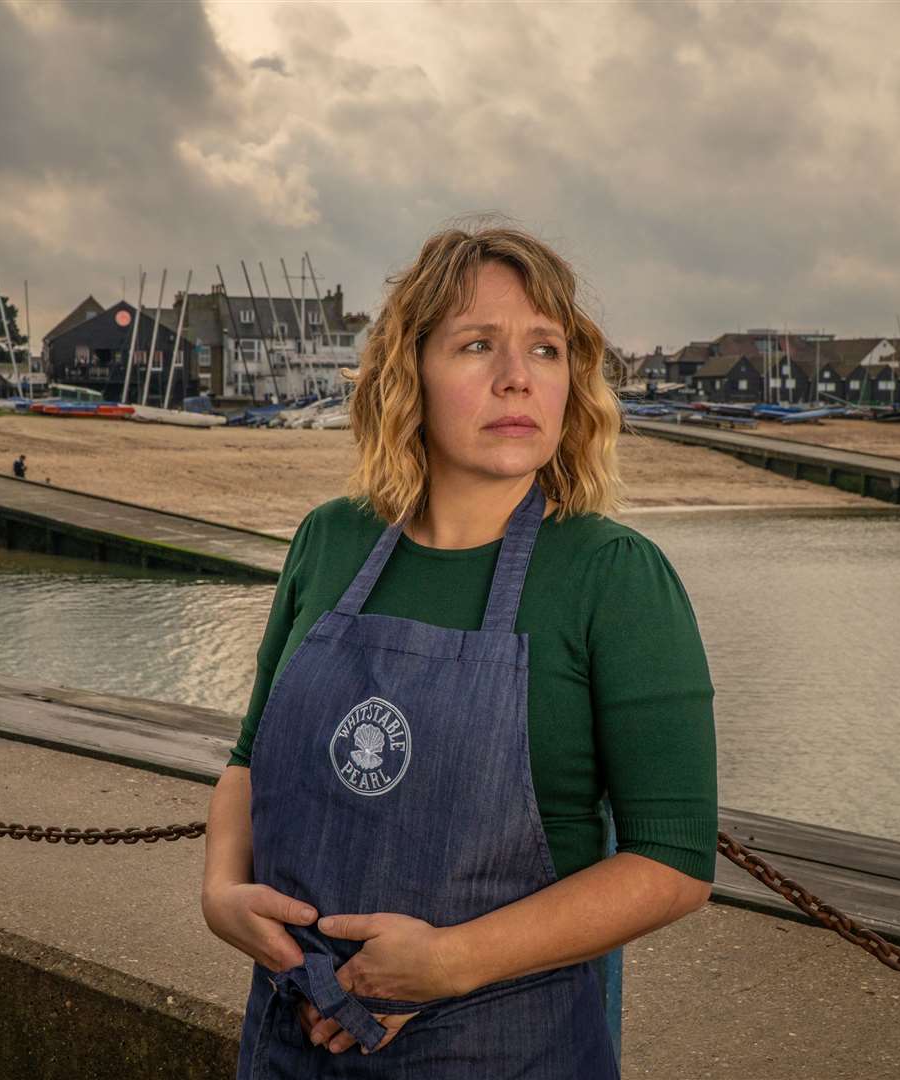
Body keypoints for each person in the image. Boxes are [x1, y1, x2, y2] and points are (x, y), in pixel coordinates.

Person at [201, 224, 717, 1078]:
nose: (517, 376)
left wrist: (450, 965)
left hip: (508, 1051)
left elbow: (672, 862)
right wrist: (222, 893)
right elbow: (250, 760)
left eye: (545, 349)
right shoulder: (329, 542)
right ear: (410, 374)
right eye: (478, 345)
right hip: (293, 1042)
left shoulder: (612, 577)